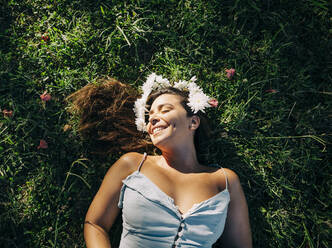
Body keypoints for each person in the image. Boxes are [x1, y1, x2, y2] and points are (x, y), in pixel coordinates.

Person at [69, 73, 252, 247]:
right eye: (149, 117)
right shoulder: (132, 165)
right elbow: (95, 223)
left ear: (193, 122)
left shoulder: (224, 181)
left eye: (165, 110)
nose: (153, 118)